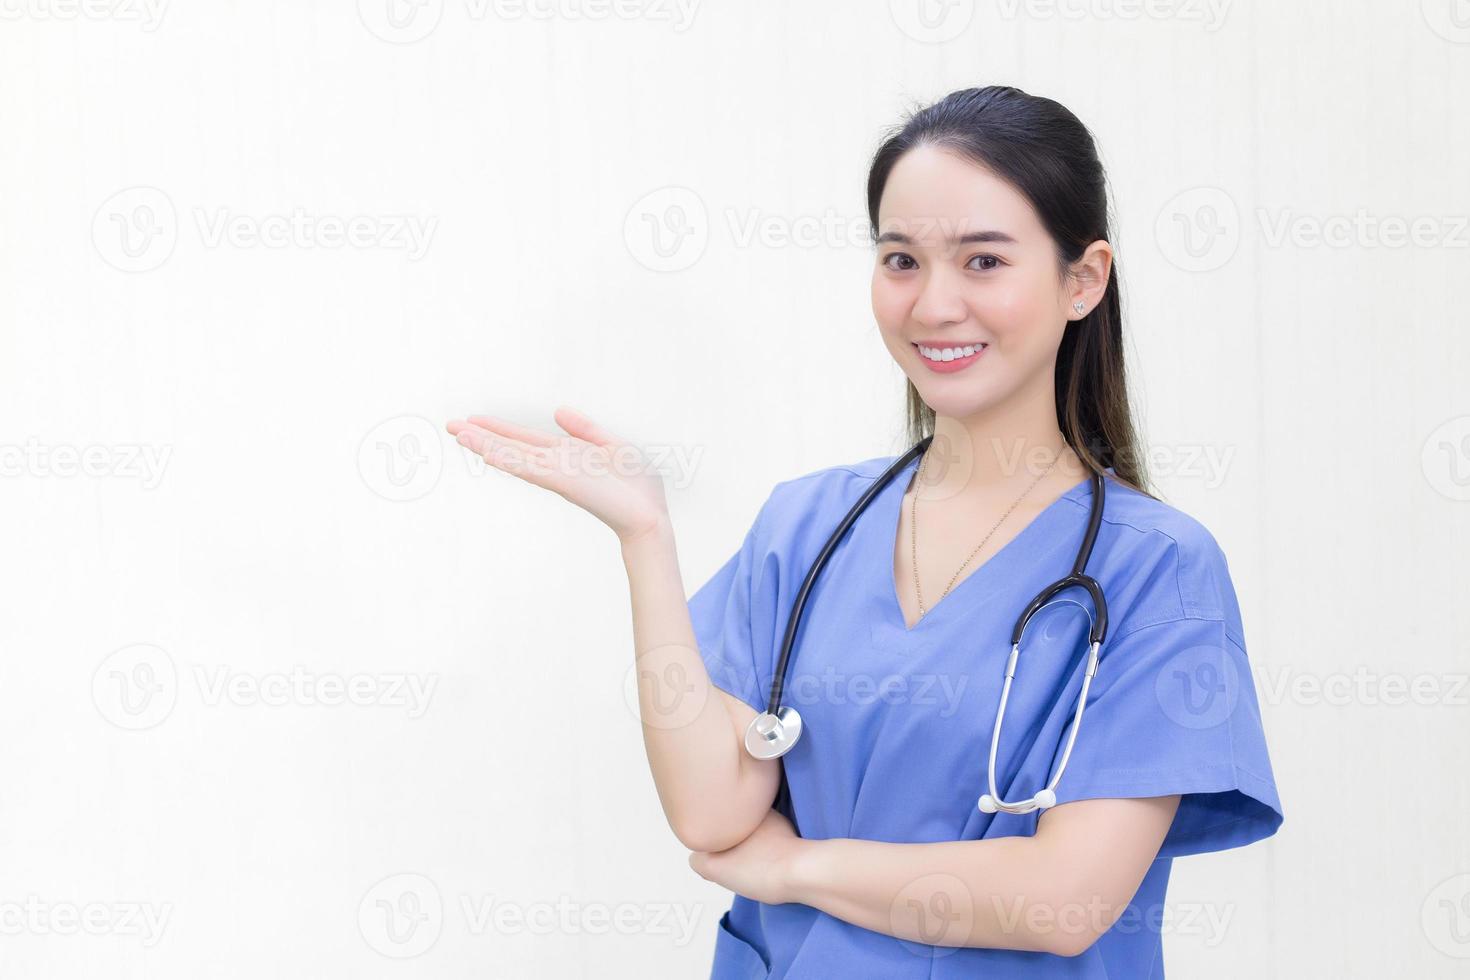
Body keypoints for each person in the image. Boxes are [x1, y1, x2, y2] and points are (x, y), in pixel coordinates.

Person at [447, 84, 1284, 979]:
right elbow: (712, 813)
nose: (932, 306)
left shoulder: (1157, 570)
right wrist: (645, 540)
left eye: (985, 262)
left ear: (1083, 280)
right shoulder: (808, 527)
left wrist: (797, 866)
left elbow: (1061, 899)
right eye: (901, 261)